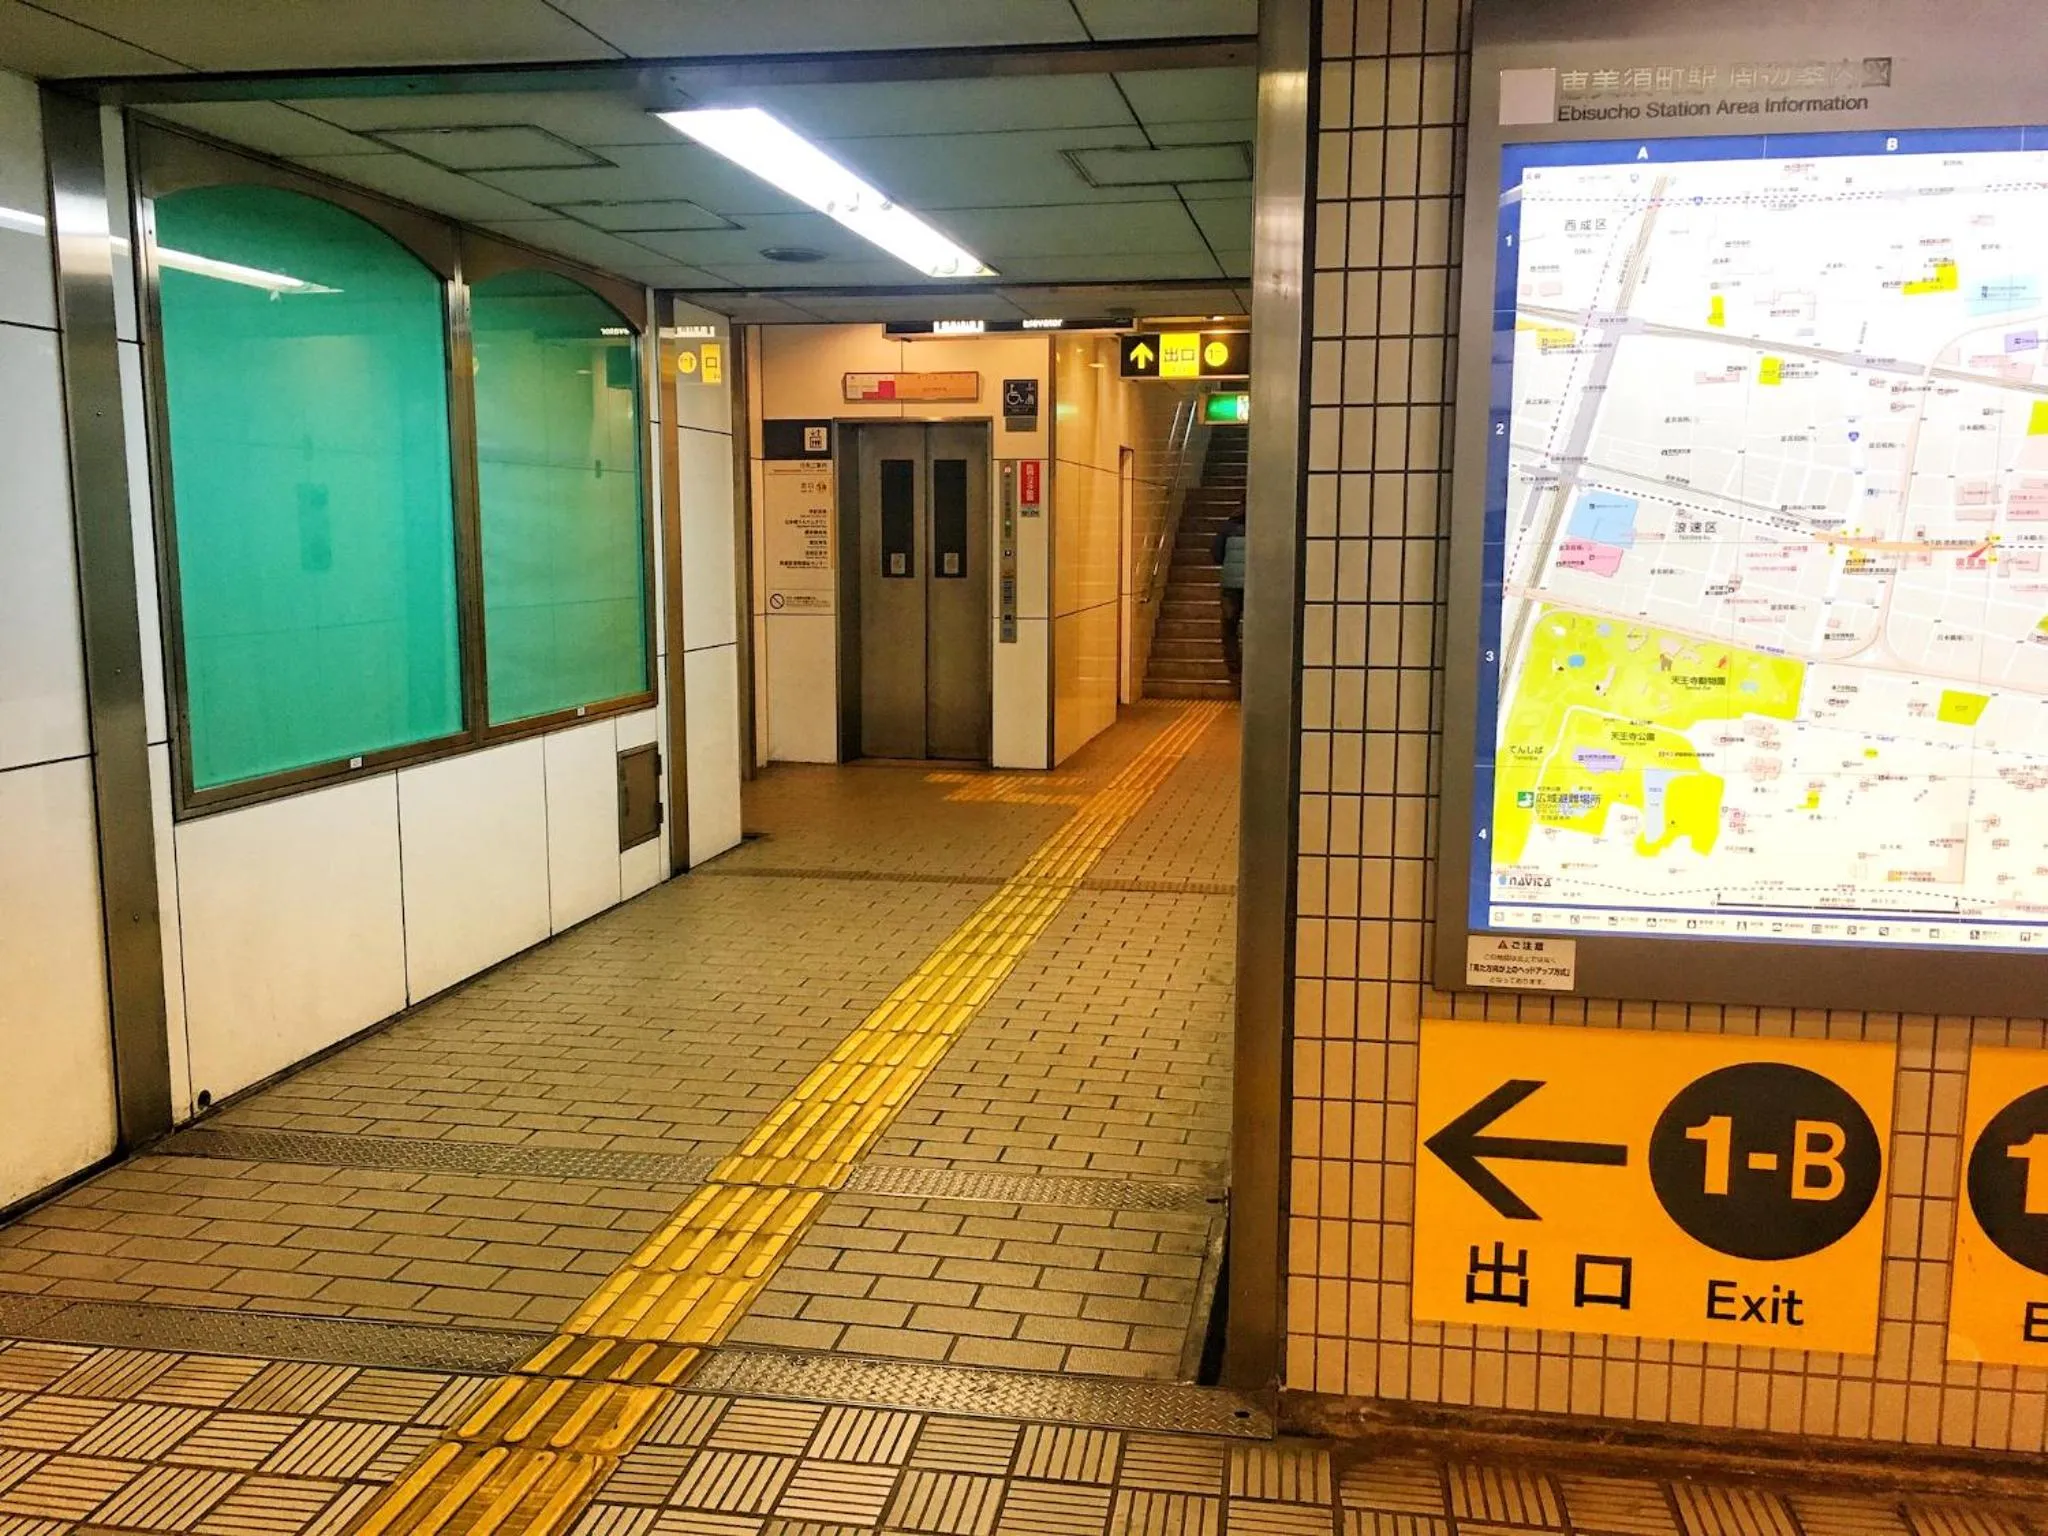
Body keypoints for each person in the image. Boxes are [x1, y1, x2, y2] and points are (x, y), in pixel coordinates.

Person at [1211, 509, 1247, 678]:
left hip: (1230, 586)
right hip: (1255, 587)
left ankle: (1235, 669)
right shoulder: (1263, 525)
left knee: (1229, 627)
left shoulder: (1227, 527)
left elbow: (1216, 555)